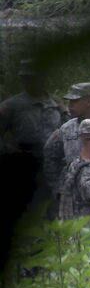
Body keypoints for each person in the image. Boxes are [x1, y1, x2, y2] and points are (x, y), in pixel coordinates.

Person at [1, 58, 66, 209]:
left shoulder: (57, 104)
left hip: (53, 166)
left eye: (33, 78)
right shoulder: (11, 105)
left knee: (53, 208)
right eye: (25, 78)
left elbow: (68, 129)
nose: (28, 82)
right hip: (23, 166)